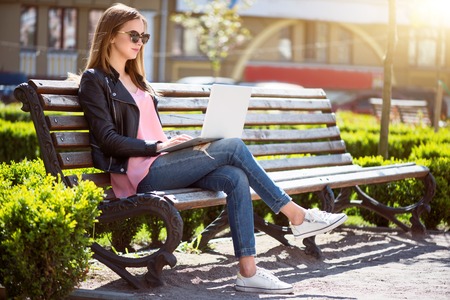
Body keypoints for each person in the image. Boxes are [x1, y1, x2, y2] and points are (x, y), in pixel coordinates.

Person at [78, 3, 347, 294]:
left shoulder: (139, 81)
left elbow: (145, 129)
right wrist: (159, 146)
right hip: (140, 174)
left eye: (144, 37)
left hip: (161, 162)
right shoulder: (95, 81)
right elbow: (107, 139)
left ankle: (248, 272)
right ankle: (296, 215)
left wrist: (178, 143)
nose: (139, 42)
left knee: (234, 176)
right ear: (110, 35)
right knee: (232, 146)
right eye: (133, 35)